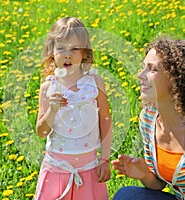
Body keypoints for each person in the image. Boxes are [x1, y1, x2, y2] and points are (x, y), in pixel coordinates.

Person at [111, 38, 185, 200]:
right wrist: (145, 174)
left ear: (176, 78)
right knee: (127, 195)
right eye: (143, 67)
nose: (140, 75)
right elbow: (159, 185)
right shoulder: (148, 118)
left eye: (152, 69)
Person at [35, 16, 112, 200]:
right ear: (52, 52)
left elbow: (105, 120)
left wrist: (105, 158)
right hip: (57, 168)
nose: (67, 54)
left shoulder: (94, 83)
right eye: (61, 48)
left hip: (89, 167)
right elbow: (41, 131)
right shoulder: (49, 87)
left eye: (74, 48)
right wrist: (52, 110)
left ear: (84, 52)